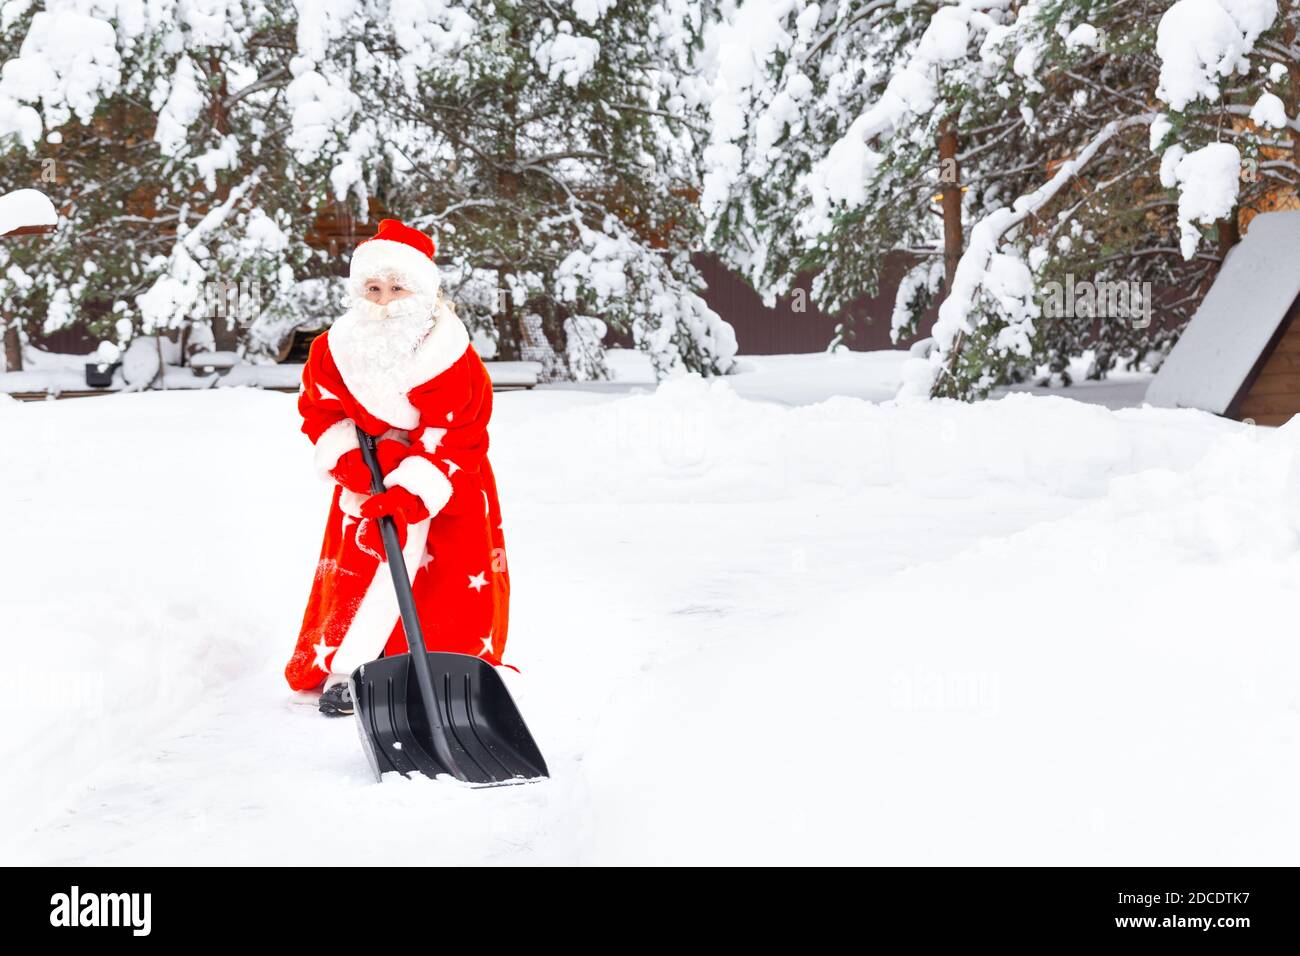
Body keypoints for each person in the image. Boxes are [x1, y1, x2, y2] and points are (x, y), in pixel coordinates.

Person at [284, 219, 510, 716]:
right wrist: (348, 461)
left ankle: (440, 665)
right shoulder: (333, 348)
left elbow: (462, 432)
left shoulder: (451, 356)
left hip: (443, 474)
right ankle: (349, 667)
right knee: (363, 569)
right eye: (373, 288)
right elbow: (319, 408)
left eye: (397, 287)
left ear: (424, 291)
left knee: (443, 578)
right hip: (366, 473)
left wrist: (414, 489)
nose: (384, 299)